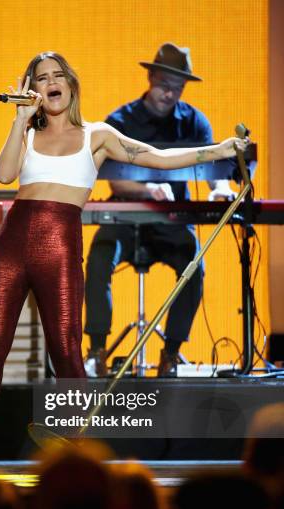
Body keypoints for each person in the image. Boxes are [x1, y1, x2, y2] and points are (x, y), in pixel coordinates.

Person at [0, 51, 247, 475]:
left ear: (71, 86)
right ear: (32, 89)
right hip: (12, 244)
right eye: (42, 78)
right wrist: (19, 120)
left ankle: (75, 454)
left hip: (59, 245)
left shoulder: (98, 135)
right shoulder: (27, 133)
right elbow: (4, 176)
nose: (51, 82)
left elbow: (159, 159)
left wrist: (220, 150)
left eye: (58, 75)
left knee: (67, 349)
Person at [84, 43, 237, 378]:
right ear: (150, 76)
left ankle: (171, 354)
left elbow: (213, 173)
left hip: (172, 221)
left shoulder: (195, 123)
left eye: (178, 87)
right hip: (126, 215)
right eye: (165, 83)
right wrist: (147, 190)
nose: (170, 93)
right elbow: (115, 181)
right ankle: (96, 351)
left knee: (194, 263)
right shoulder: (119, 121)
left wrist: (222, 189)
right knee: (99, 255)